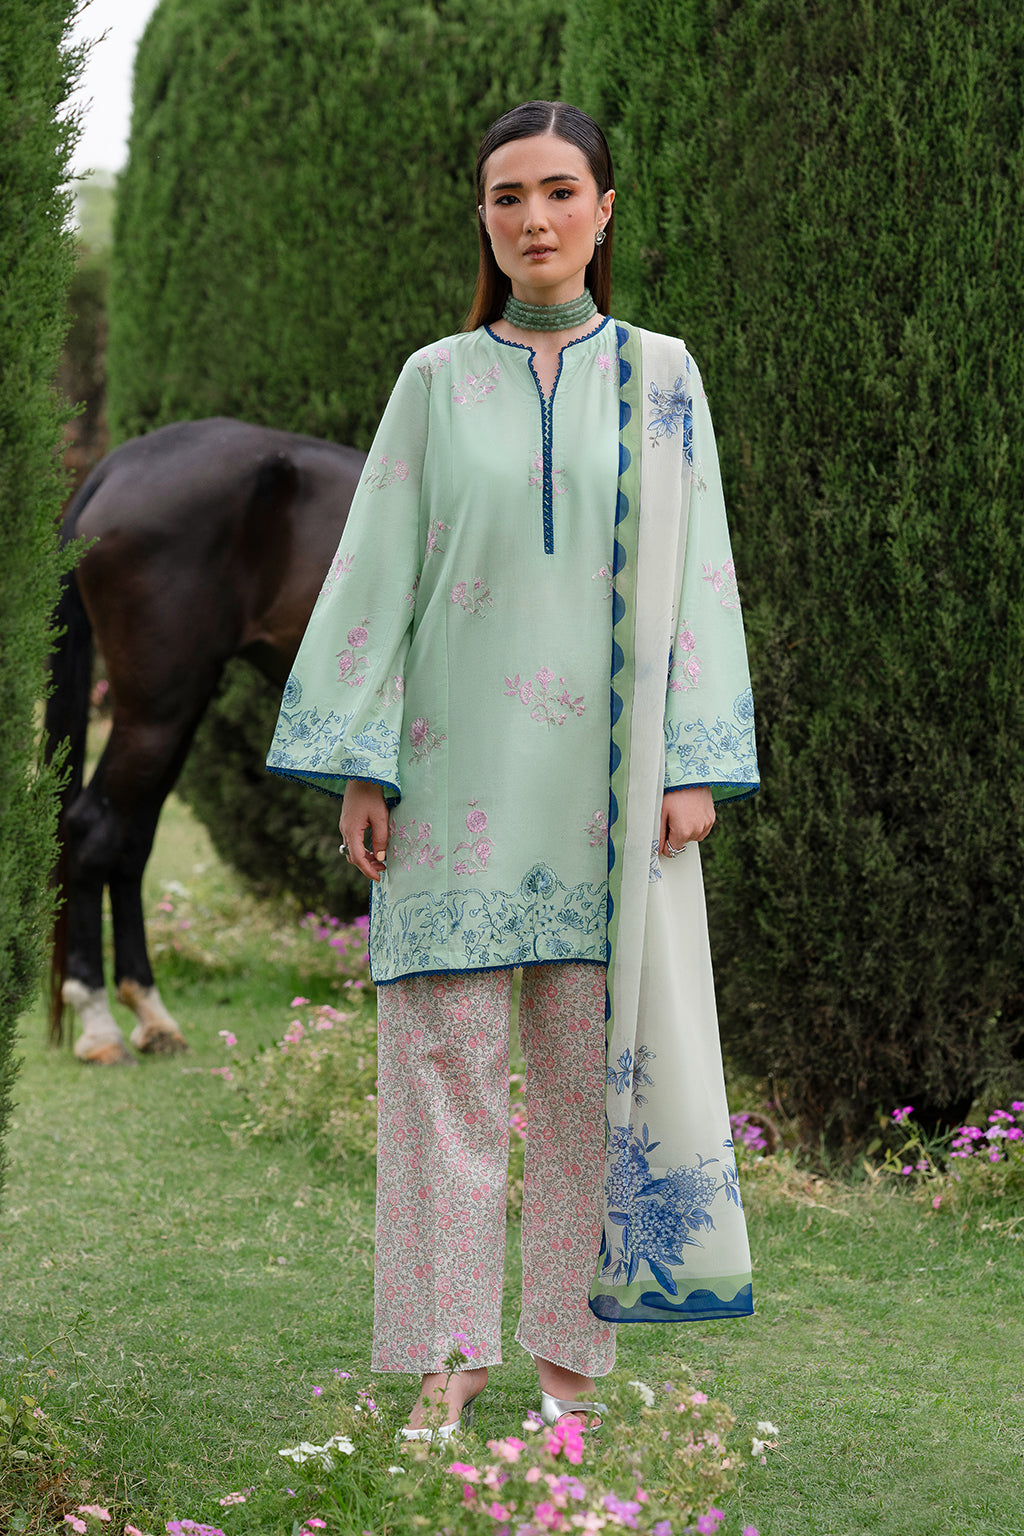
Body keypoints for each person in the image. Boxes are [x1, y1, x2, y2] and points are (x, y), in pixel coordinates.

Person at [267, 100, 759, 1440]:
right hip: (449, 786)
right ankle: (448, 1361)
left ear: (604, 209)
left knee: (592, 1092)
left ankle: (567, 1369)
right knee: (444, 1082)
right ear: (483, 220)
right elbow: (376, 570)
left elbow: (704, 574)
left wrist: (694, 762)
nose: (534, 219)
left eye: (558, 192)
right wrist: (363, 761)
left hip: (608, 796)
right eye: (506, 197)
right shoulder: (435, 382)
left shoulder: (664, 377)